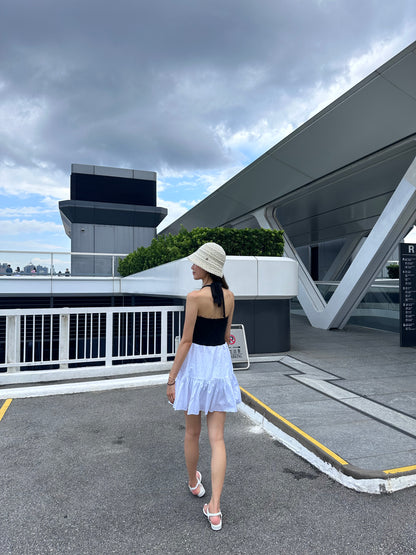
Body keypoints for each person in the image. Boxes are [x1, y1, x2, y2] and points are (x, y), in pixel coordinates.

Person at [166, 242, 241, 531]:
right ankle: (215, 509)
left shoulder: (194, 297)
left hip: (196, 366)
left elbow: (186, 342)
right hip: (219, 367)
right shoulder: (231, 296)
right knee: (217, 439)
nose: (192, 266)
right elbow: (225, 336)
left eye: (196, 263)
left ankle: (193, 483)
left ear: (208, 266)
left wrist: (171, 378)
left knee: (192, 433)